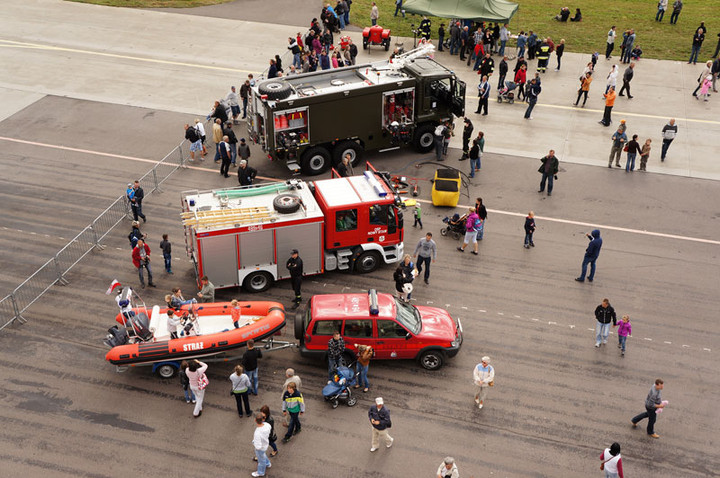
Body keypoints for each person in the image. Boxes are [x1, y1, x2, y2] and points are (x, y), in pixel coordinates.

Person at [251, 413, 272, 477]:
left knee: (261, 460)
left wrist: (254, 442)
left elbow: (258, 446)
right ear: (263, 419)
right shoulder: (267, 425)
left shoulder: (257, 432)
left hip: (261, 448)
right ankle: (268, 463)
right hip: (265, 445)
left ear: (255, 420)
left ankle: (260, 472)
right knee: (263, 455)